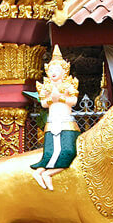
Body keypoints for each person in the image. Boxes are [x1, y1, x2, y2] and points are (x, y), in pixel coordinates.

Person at [29, 46, 80, 191]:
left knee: (69, 151)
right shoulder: (47, 88)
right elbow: (44, 103)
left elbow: (74, 101)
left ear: (64, 71)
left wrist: (61, 98)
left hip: (66, 122)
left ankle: (48, 174)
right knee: (50, 152)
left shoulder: (69, 85)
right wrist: (52, 98)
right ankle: (40, 173)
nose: (53, 73)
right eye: (51, 70)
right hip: (52, 123)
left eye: (56, 70)